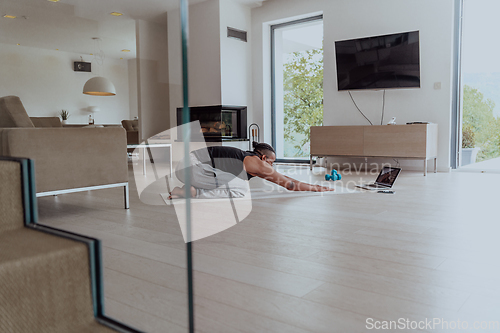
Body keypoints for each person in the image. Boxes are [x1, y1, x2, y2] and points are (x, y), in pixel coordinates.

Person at [168, 142, 334, 199]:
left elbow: (283, 177)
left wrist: (312, 185)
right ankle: (193, 192)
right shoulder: (256, 163)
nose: (272, 167)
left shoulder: (250, 161)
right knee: (241, 188)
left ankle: (190, 190)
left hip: (186, 166)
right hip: (192, 167)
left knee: (237, 184)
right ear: (263, 158)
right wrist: (316, 188)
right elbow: (289, 185)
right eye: (271, 162)